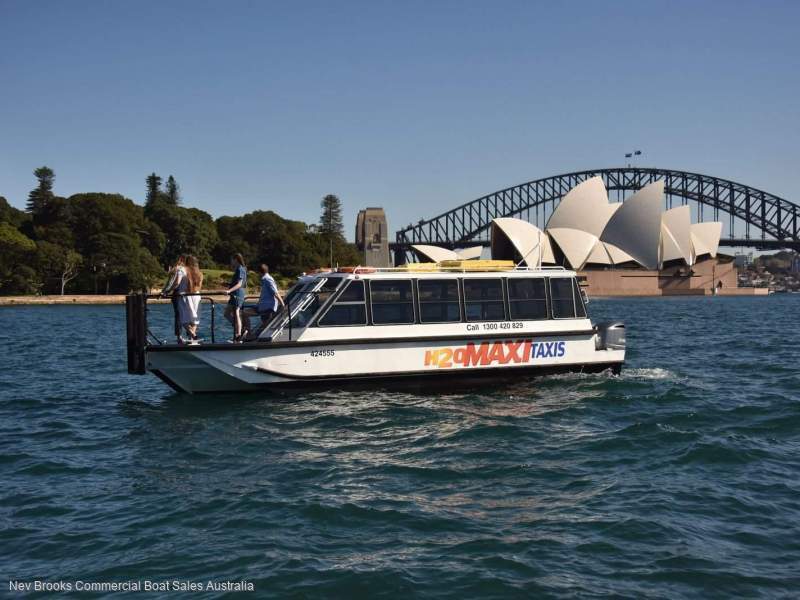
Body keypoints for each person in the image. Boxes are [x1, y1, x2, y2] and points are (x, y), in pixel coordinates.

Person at [242, 264, 284, 339]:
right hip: (262, 306)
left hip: (267, 307)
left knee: (264, 325)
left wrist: (282, 304)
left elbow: (275, 293)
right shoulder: (265, 279)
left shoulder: (267, 279)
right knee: (244, 313)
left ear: (259, 272)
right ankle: (248, 333)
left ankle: (250, 334)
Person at [161, 255, 186, 344]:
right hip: (183, 294)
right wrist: (166, 291)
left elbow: (172, 282)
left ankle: (180, 335)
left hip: (178, 294)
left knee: (178, 315)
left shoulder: (177, 270)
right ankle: (186, 335)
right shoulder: (182, 270)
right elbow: (173, 282)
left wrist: (165, 291)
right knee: (182, 315)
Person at [178, 256, 203, 343]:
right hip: (196, 296)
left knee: (184, 318)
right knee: (194, 319)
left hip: (187, 296)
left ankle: (192, 334)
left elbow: (180, 283)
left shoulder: (185, 271)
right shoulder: (199, 273)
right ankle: (192, 338)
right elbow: (199, 287)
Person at [224, 253, 248, 342]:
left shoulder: (240, 269)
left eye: (232, 260)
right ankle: (240, 330)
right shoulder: (238, 269)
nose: (231, 261)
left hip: (237, 294)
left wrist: (229, 291)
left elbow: (240, 284)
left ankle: (238, 335)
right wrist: (229, 285)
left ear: (236, 259)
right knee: (226, 313)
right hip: (233, 294)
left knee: (236, 312)